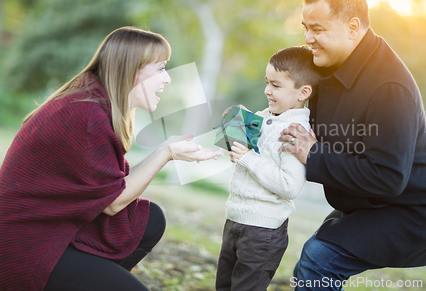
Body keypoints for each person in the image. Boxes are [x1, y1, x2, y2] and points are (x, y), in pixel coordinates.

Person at [0, 26, 221, 291]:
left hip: (51, 227)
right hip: (26, 244)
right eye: (161, 68)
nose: (167, 78)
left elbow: (112, 187)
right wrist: (165, 153)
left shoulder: (94, 101)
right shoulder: (87, 114)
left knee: (148, 219)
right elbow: (113, 203)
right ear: (133, 68)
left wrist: (166, 150)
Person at [279, 0, 426, 290]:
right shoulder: (327, 63)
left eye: (318, 29)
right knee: (315, 257)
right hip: (371, 202)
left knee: (319, 258)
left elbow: (387, 177)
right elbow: (284, 98)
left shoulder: (389, 86)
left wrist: (313, 154)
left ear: (352, 26)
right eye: (305, 27)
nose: (308, 38)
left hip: (413, 212)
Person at [215, 46, 321, 291]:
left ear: (303, 92)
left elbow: (290, 186)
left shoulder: (295, 132)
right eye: (267, 83)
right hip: (235, 219)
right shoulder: (264, 116)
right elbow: (234, 155)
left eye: (276, 85)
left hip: (262, 230)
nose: (267, 90)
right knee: (224, 286)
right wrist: (232, 128)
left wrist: (249, 158)